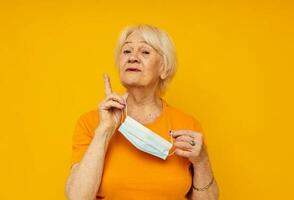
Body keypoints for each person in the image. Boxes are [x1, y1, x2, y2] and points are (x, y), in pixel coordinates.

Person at [65, 24, 219, 200]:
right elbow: (77, 197)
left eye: (145, 52)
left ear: (164, 68)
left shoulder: (187, 126)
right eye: (126, 51)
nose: (133, 58)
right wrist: (104, 131)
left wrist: (202, 162)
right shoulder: (92, 123)